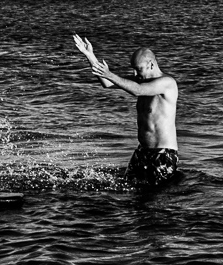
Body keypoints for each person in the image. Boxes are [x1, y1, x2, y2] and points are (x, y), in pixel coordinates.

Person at [72, 35, 180, 185]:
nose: (135, 74)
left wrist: (109, 73)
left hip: (162, 153)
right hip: (142, 152)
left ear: (151, 65)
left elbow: (138, 90)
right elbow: (107, 83)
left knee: (156, 199)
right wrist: (90, 55)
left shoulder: (167, 83)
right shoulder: (141, 80)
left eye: (138, 69)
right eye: (133, 70)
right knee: (129, 191)